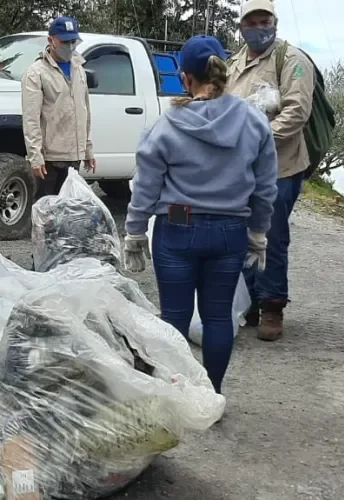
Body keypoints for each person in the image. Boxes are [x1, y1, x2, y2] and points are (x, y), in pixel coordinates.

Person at [124, 35, 278, 394]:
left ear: (186, 78)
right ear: (223, 73)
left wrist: (133, 232)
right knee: (217, 316)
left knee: (174, 319)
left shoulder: (167, 124)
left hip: (177, 229)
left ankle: (176, 396)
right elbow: (265, 187)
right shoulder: (254, 122)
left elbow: (146, 185)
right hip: (230, 233)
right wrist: (258, 233)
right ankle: (212, 394)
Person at [225, 0, 316, 341]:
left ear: (275, 23)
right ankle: (247, 303)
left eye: (265, 20)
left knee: (271, 236)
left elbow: (296, 112)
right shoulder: (233, 63)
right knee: (239, 234)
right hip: (239, 169)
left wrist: (258, 142)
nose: (259, 27)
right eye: (252, 21)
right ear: (242, 26)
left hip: (280, 168)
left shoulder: (292, 60)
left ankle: (273, 307)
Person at [21, 16, 95, 196]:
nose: (69, 47)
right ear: (51, 40)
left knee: (69, 212)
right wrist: (35, 156)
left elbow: (84, 112)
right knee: (46, 212)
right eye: (64, 42)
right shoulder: (36, 73)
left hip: (74, 157)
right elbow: (31, 119)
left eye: (73, 42)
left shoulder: (79, 69)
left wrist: (88, 150)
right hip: (50, 159)